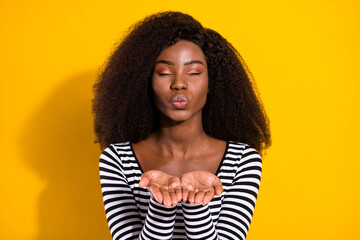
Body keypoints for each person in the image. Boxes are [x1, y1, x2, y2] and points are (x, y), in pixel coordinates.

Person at [93, 11, 271, 240]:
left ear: (211, 83)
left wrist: (196, 206)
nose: (179, 84)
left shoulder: (242, 160)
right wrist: (162, 205)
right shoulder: (117, 159)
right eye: (164, 73)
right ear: (144, 81)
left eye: (194, 72)